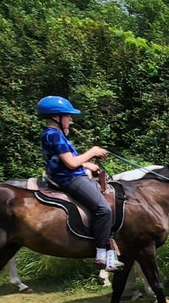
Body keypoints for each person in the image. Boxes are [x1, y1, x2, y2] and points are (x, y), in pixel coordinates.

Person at [37, 95, 123, 271]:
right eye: (68, 116)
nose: (71, 120)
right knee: (103, 209)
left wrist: (86, 164)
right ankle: (101, 255)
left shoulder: (52, 134)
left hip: (69, 174)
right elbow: (70, 163)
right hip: (70, 178)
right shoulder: (54, 135)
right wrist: (93, 151)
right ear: (56, 117)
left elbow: (62, 160)